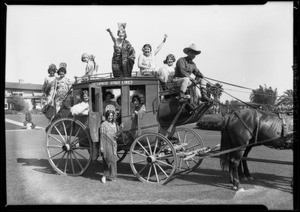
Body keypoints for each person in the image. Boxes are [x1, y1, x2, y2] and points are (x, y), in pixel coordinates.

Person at [100, 110, 121, 183]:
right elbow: (102, 136)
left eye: (111, 116)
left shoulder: (114, 124)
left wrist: (116, 136)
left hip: (113, 144)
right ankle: (104, 176)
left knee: (113, 160)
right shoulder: (103, 124)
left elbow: (116, 133)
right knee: (107, 161)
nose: (110, 117)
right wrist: (102, 147)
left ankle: (112, 176)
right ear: (106, 116)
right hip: (106, 144)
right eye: (109, 115)